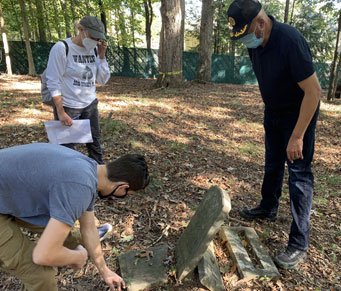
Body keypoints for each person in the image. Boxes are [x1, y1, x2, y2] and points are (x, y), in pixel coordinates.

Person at [227, 0, 321, 269]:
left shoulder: (289, 40)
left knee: (299, 173)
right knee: (272, 163)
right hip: (274, 111)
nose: (245, 41)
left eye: (246, 35)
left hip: (299, 113)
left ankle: (299, 242)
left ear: (261, 22)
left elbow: (314, 92)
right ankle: (268, 207)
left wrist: (297, 135)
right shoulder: (256, 41)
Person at [0, 143, 150, 291]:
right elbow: (42, 255)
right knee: (41, 275)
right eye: (126, 194)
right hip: (5, 203)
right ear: (122, 187)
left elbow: (89, 228)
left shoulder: (88, 169)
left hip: (8, 197)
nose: (122, 197)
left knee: (60, 232)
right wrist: (77, 257)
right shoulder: (80, 186)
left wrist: (105, 271)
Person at [46, 16, 110, 164]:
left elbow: (102, 79)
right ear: (81, 30)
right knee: (66, 150)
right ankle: (69, 177)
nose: (96, 40)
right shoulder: (61, 48)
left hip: (90, 105)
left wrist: (101, 55)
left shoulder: (94, 49)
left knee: (95, 145)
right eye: (93, 36)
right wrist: (61, 112)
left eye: (98, 38)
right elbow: (53, 82)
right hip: (69, 107)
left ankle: (98, 178)